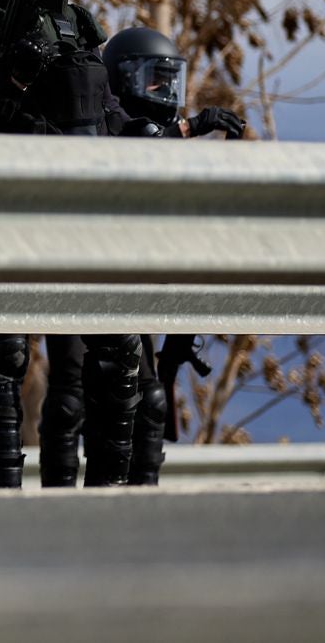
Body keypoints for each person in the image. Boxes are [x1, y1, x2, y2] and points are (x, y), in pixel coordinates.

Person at [0, 0, 150, 489]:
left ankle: (109, 494)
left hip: (84, 206)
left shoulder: (77, 24)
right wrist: (11, 78)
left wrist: (151, 137)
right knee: (6, 355)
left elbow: (106, 110)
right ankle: (4, 495)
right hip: (9, 206)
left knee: (113, 351)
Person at [103, 25, 242, 484]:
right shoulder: (117, 133)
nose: (163, 92)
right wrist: (193, 127)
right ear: (124, 81)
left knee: (153, 397)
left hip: (146, 284)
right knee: (139, 397)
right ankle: (122, 495)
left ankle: (141, 494)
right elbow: (142, 142)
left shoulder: (160, 143)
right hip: (111, 288)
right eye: (152, 80)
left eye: (168, 80)